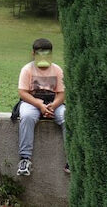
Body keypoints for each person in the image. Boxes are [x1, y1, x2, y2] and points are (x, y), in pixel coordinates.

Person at [16, 38, 68, 176]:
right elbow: (22, 92)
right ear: (33, 54)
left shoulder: (57, 69)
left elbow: (62, 93)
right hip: (32, 102)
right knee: (26, 117)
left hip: (53, 102)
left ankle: (72, 158)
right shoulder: (27, 69)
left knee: (67, 117)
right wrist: (39, 105)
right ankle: (25, 159)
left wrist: (53, 106)